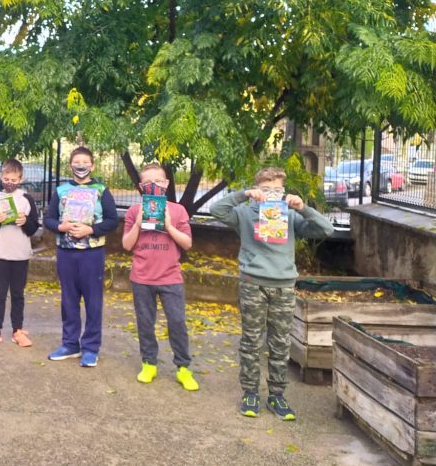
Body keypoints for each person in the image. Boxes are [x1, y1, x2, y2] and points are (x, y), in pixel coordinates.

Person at [211, 166, 334, 420]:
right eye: (266, 189)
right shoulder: (245, 213)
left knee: (280, 343)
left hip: (283, 286)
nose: (271, 194)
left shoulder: (290, 215)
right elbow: (216, 210)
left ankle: (277, 396)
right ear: (257, 188)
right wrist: (245, 195)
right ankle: (250, 393)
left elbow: (326, 230)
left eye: (276, 190)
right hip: (252, 284)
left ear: (283, 191)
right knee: (251, 342)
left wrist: (303, 208)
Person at [121, 161, 198, 391]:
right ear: (141, 186)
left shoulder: (178, 210)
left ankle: (183, 368)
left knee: (177, 322)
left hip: (170, 278)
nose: (153, 185)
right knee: (145, 323)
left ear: (166, 184)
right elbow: (126, 245)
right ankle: (149, 363)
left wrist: (168, 226)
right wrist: (137, 223)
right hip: (142, 277)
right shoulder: (134, 211)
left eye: (158, 181)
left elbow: (187, 243)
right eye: (148, 182)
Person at [43, 146, 119, 367]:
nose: (81, 165)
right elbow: (49, 219)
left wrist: (91, 230)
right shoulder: (61, 191)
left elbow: (112, 221)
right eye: (77, 162)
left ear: (92, 165)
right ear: (70, 166)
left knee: (93, 301)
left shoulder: (101, 191)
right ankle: (70, 344)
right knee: (68, 299)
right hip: (66, 252)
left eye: (85, 162)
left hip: (92, 253)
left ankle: (91, 348)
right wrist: (61, 226)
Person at [0, 158, 40, 348]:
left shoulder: (27, 199)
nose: (10, 183)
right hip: (0, 254)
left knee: (18, 294)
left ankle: (17, 330)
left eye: (14, 180)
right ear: (1, 177)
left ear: (21, 179)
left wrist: (25, 222)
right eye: (6, 179)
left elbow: (33, 228)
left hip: (20, 255)